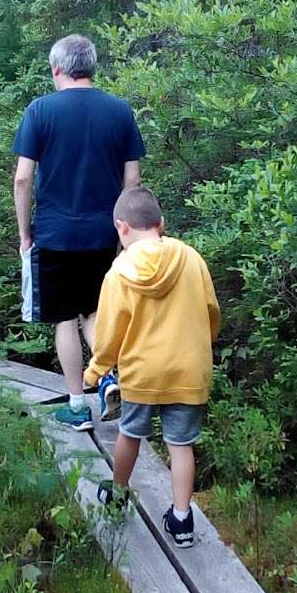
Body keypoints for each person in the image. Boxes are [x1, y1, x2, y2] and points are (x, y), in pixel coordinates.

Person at [12, 34, 145, 430]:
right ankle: (109, 378)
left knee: (65, 319)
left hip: (54, 234)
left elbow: (22, 179)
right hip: (105, 235)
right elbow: (133, 181)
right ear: (91, 66)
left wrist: (24, 234)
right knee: (94, 311)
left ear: (57, 69)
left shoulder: (40, 111)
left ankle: (76, 405)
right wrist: (126, 236)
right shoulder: (120, 111)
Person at [83, 185, 220, 547]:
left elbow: (110, 332)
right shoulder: (191, 259)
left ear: (121, 227)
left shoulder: (118, 273)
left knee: (130, 433)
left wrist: (96, 370)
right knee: (180, 444)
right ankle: (182, 521)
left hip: (142, 373)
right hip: (189, 370)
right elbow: (211, 312)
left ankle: (117, 494)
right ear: (161, 223)